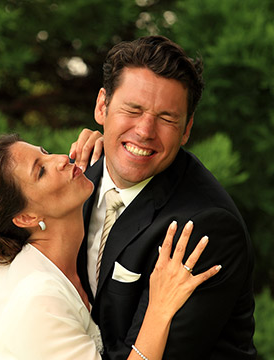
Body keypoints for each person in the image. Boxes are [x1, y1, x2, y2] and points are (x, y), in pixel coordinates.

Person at [69, 36, 256, 359]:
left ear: (186, 130)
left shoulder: (204, 227)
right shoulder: (76, 177)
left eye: (167, 118)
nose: (145, 130)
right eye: (133, 109)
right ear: (102, 106)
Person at [0, 134, 220, 360]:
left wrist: (116, 145)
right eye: (41, 171)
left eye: (45, 153)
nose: (60, 159)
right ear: (26, 218)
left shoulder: (51, 255)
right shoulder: (38, 299)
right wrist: (160, 308)